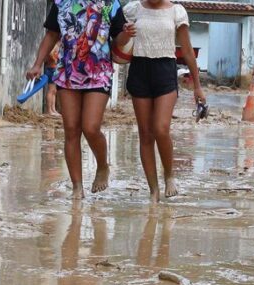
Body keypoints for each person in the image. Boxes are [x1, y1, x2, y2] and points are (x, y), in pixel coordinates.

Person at [27, 0, 127, 199]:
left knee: (90, 127)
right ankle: (77, 188)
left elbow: (119, 40)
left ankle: (102, 166)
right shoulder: (61, 2)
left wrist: (128, 34)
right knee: (71, 129)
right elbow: (52, 34)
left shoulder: (110, 4)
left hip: (99, 73)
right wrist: (37, 64)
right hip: (67, 72)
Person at [121, 0, 204, 202]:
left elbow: (187, 50)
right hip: (139, 70)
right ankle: (153, 190)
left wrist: (197, 86)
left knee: (160, 128)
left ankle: (169, 175)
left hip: (165, 70)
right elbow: (120, 43)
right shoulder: (132, 9)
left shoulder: (177, 11)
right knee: (145, 134)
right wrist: (124, 33)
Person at [45, 42, 61, 116]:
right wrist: (56, 58)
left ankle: (53, 109)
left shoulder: (57, 45)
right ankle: (49, 110)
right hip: (51, 68)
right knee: (51, 90)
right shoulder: (53, 45)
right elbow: (50, 54)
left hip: (55, 69)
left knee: (54, 91)